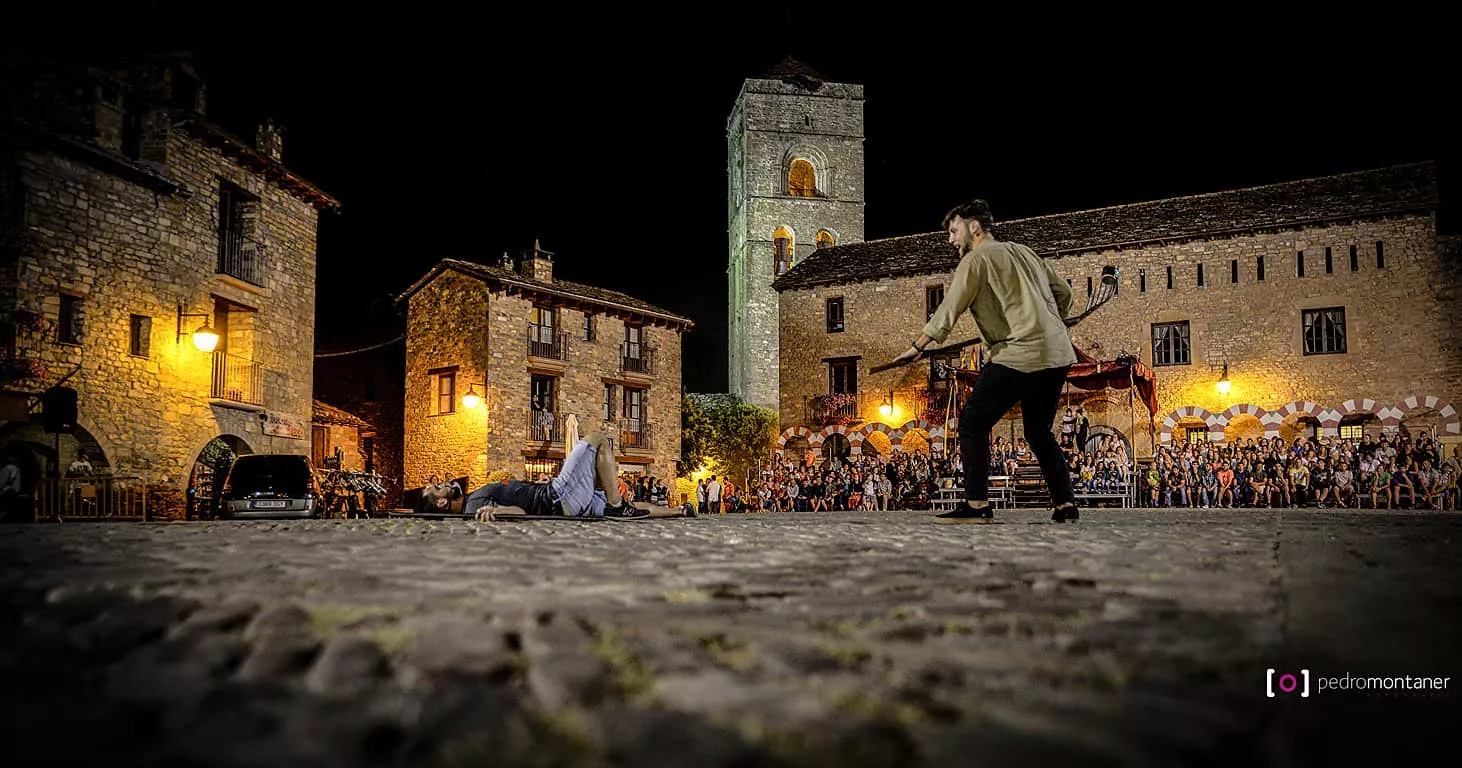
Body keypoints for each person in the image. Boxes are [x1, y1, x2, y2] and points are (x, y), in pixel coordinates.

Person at [890, 199, 1078, 523]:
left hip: (1018, 353)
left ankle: (977, 504)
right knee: (1037, 431)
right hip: (1057, 354)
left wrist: (917, 346)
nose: (951, 239)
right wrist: (1052, 322)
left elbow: (950, 308)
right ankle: (1065, 504)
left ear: (974, 226)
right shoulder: (1024, 252)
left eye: (954, 230)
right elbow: (1065, 294)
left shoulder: (976, 259)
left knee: (973, 423)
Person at [420, 432, 647, 520]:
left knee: (630, 503)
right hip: (557, 497)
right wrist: (498, 511)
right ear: (441, 501)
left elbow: (517, 499)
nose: (444, 482)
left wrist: (534, 483)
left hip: (555, 495)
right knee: (597, 439)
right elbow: (521, 512)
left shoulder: (472, 499)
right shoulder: (474, 507)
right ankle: (616, 505)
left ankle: (680, 510)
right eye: (438, 487)